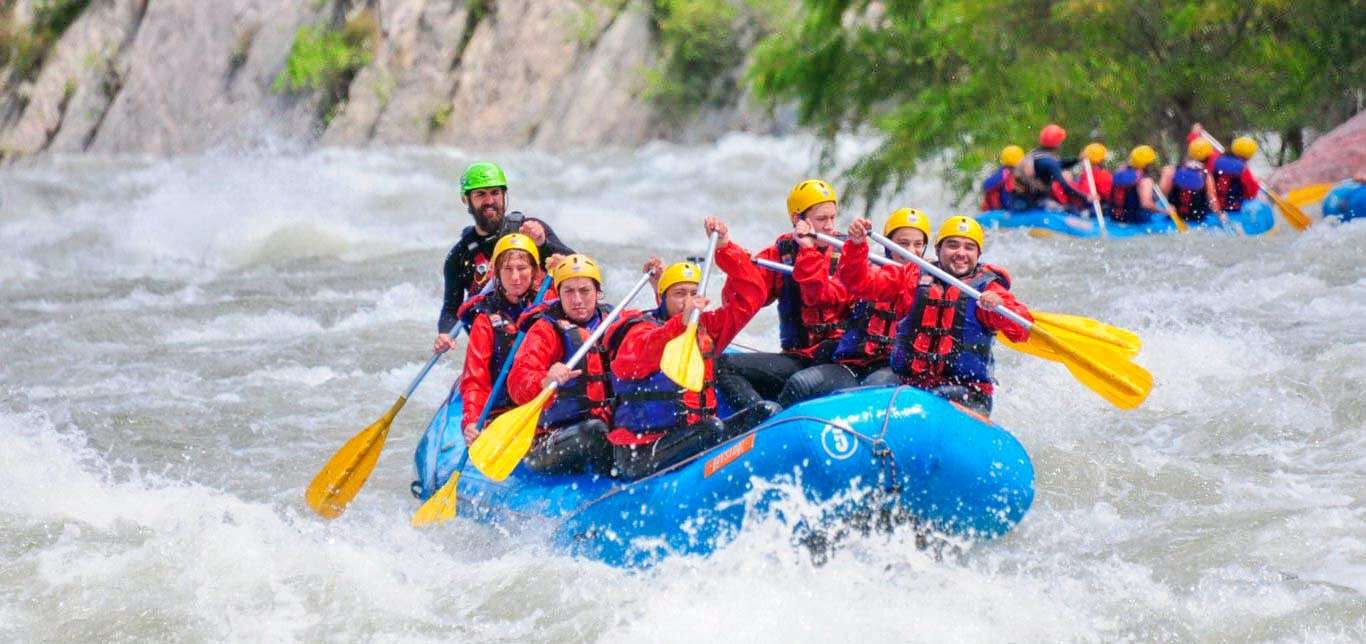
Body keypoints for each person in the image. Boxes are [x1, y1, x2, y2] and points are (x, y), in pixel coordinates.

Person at [604, 218, 776, 480]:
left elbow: (752, 297)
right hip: (642, 451)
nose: (687, 300)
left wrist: (725, 247)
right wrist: (678, 325)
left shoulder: (706, 329)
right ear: (662, 298)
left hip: (696, 437)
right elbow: (636, 361)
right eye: (679, 294)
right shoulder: (639, 330)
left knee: (767, 413)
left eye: (693, 293)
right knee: (711, 429)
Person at [838, 215, 1032, 415]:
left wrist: (1000, 307)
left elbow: (1021, 330)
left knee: (938, 399)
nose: (961, 253)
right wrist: (856, 245)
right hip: (912, 385)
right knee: (873, 391)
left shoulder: (989, 289)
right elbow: (858, 282)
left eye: (969, 247)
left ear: (978, 254)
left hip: (968, 391)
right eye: (953, 245)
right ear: (938, 250)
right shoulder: (912, 276)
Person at [715, 179, 848, 410]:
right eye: (821, 219)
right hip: (798, 358)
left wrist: (808, 251)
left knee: (799, 385)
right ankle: (759, 417)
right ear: (797, 220)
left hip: (837, 360)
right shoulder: (781, 254)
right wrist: (738, 268)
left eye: (832, 218)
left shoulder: (849, 254)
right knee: (722, 365)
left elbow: (819, 295)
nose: (829, 226)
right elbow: (740, 301)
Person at [778, 208, 933, 405]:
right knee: (799, 384)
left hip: (891, 369)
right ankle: (765, 429)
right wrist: (815, 247)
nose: (910, 251)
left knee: (864, 393)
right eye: (903, 244)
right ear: (888, 245)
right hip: (852, 364)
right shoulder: (866, 273)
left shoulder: (931, 282)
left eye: (918, 244)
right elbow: (824, 294)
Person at [434, 161, 575, 353]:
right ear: (466, 200)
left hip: (543, 341)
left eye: (495, 193)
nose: (489, 200)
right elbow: (451, 309)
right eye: (480, 194)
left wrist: (543, 244)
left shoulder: (530, 231)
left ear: (503, 195)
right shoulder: (460, 256)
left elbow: (577, 270)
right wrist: (444, 333)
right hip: (497, 349)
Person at [506, 254, 615, 474]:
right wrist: (544, 380)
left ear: (597, 293)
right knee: (593, 432)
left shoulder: (614, 321)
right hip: (553, 437)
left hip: (606, 425)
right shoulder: (545, 331)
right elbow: (517, 384)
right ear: (559, 294)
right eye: (568, 291)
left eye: (584, 291)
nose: (577, 300)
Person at [456, 234, 547, 445]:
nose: (516, 277)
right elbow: (475, 379)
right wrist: (471, 420)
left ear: (534, 270)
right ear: (496, 273)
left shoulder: (550, 305)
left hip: (541, 411)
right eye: (508, 269)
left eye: (522, 268)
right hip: (502, 413)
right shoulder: (485, 319)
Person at [1012, 124, 1090, 210]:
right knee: (1071, 210)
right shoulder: (1049, 162)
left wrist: (1077, 160)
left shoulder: (1034, 154)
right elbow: (1065, 187)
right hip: (1036, 203)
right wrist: (1086, 197)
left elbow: (1059, 164)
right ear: (1058, 144)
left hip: (1018, 201)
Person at [1160, 139, 1228, 226]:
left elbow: (1162, 194)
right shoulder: (1206, 176)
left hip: (1172, 219)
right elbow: (1212, 200)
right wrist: (1220, 214)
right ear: (1207, 158)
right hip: (1197, 221)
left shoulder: (1171, 171)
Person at [1108, 145, 1161, 224]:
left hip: (1115, 221)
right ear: (1148, 164)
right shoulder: (1145, 180)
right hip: (1137, 224)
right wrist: (1165, 211)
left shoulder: (1118, 174)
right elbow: (1146, 203)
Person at [1210, 136, 1261, 212]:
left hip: (1212, 205)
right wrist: (1257, 183)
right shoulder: (1243, 169)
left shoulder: (1216, 160)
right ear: (1249, 155)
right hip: (1231, 208)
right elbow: (1251, 194)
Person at [1058, 142, 1112, 213]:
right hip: (1097, 207)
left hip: (1092, 209)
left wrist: (1069, 182)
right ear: (1102, 160)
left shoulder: (1089, 175)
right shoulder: (1106, 175)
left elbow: (1084, 194)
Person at [981, 146, 1023, 211]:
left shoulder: (1000, 172)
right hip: (1012, 210)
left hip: (999, 211)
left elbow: (985, 186)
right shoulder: (1021, 173)